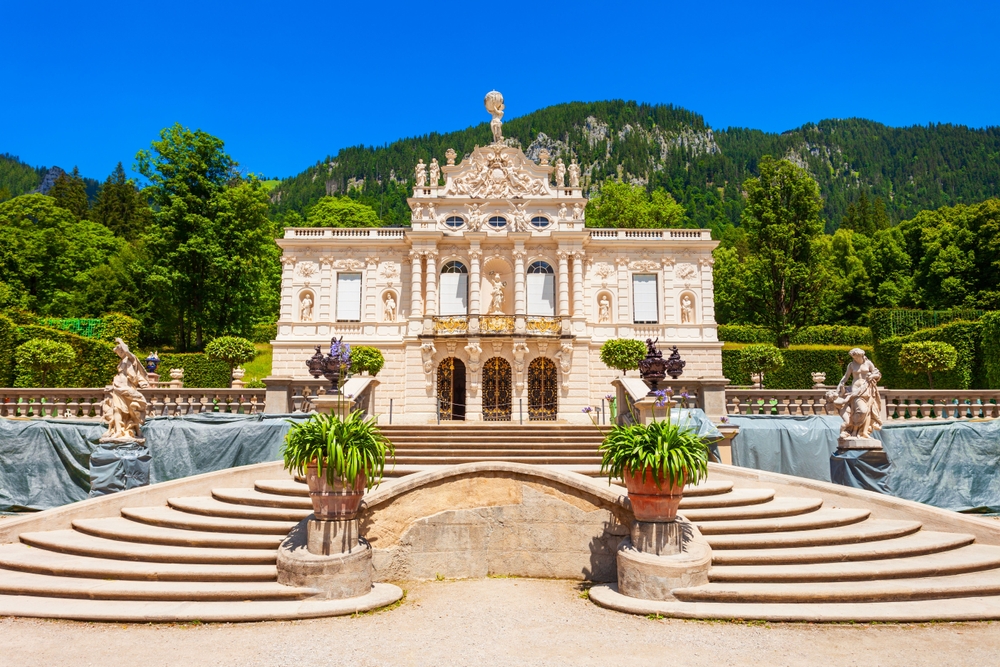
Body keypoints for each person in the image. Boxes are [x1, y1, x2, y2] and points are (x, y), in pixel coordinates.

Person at [101, 338, 150, 440]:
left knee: (132, 409)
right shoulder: (122, 361)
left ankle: (136, 429)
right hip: (118, 387)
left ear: (122, 350)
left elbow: (127, 351)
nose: (118, 354)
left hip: (127, 387)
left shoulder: (131, 358)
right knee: (116, 409)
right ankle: (118, 431)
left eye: (119, 351)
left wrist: (120, 341)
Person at [834, 348, 883, 439]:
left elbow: (877, 374)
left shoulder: (868, 363)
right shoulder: (851, 365)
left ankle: (863, 432)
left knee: (868, 411)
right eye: (854, 357)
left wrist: (872, 376)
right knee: (861, 410)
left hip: (867, 390)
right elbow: (845, 377)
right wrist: (839, 387)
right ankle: (855, 430)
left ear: (861, 356)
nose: (855, 359)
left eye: (857, 357)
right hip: (856, 391)